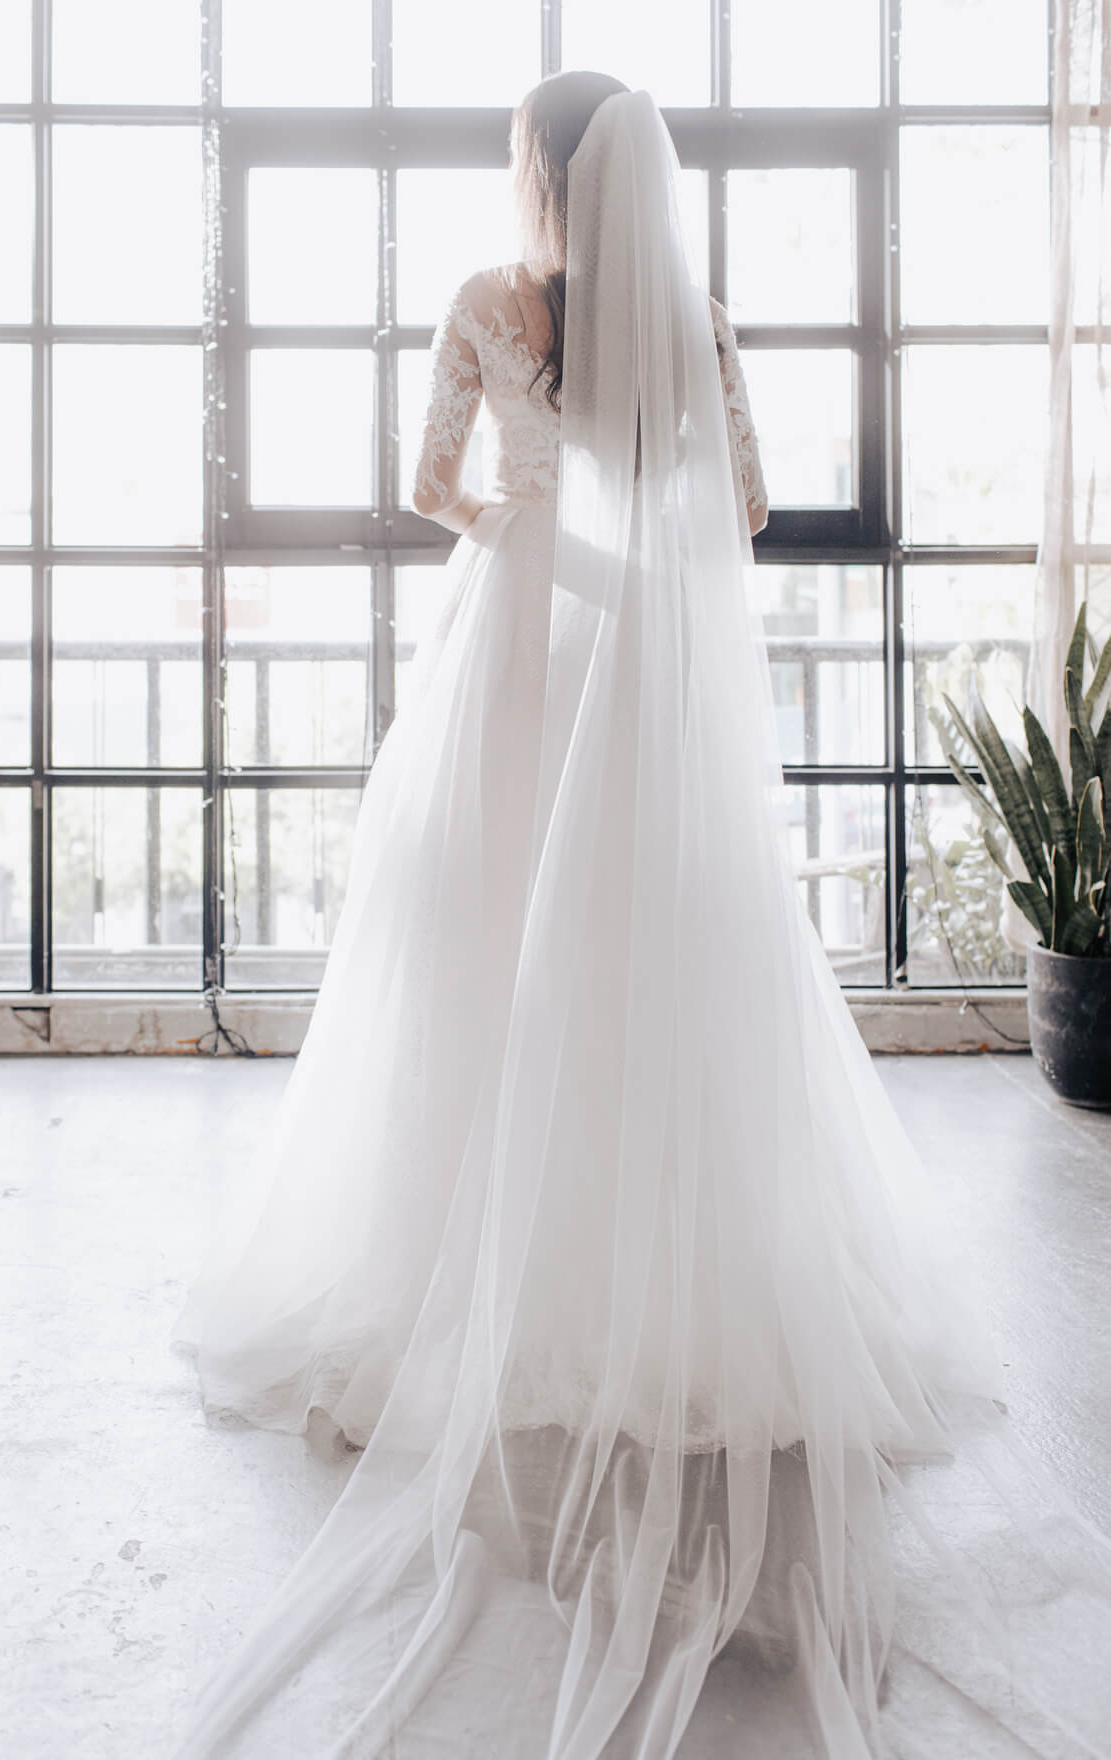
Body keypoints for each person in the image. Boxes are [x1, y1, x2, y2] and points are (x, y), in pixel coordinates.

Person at [174, 74, 1111, 1759]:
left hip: (517, 656)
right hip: (634, 681)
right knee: (632, 962)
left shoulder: (484, 304)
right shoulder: (697, 326)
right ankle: (631, 1243)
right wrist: (632, 535)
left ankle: (470, 1246)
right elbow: (739, 512)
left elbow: (429, 487)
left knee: (471, 947)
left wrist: (535, 530)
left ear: (540, 174)